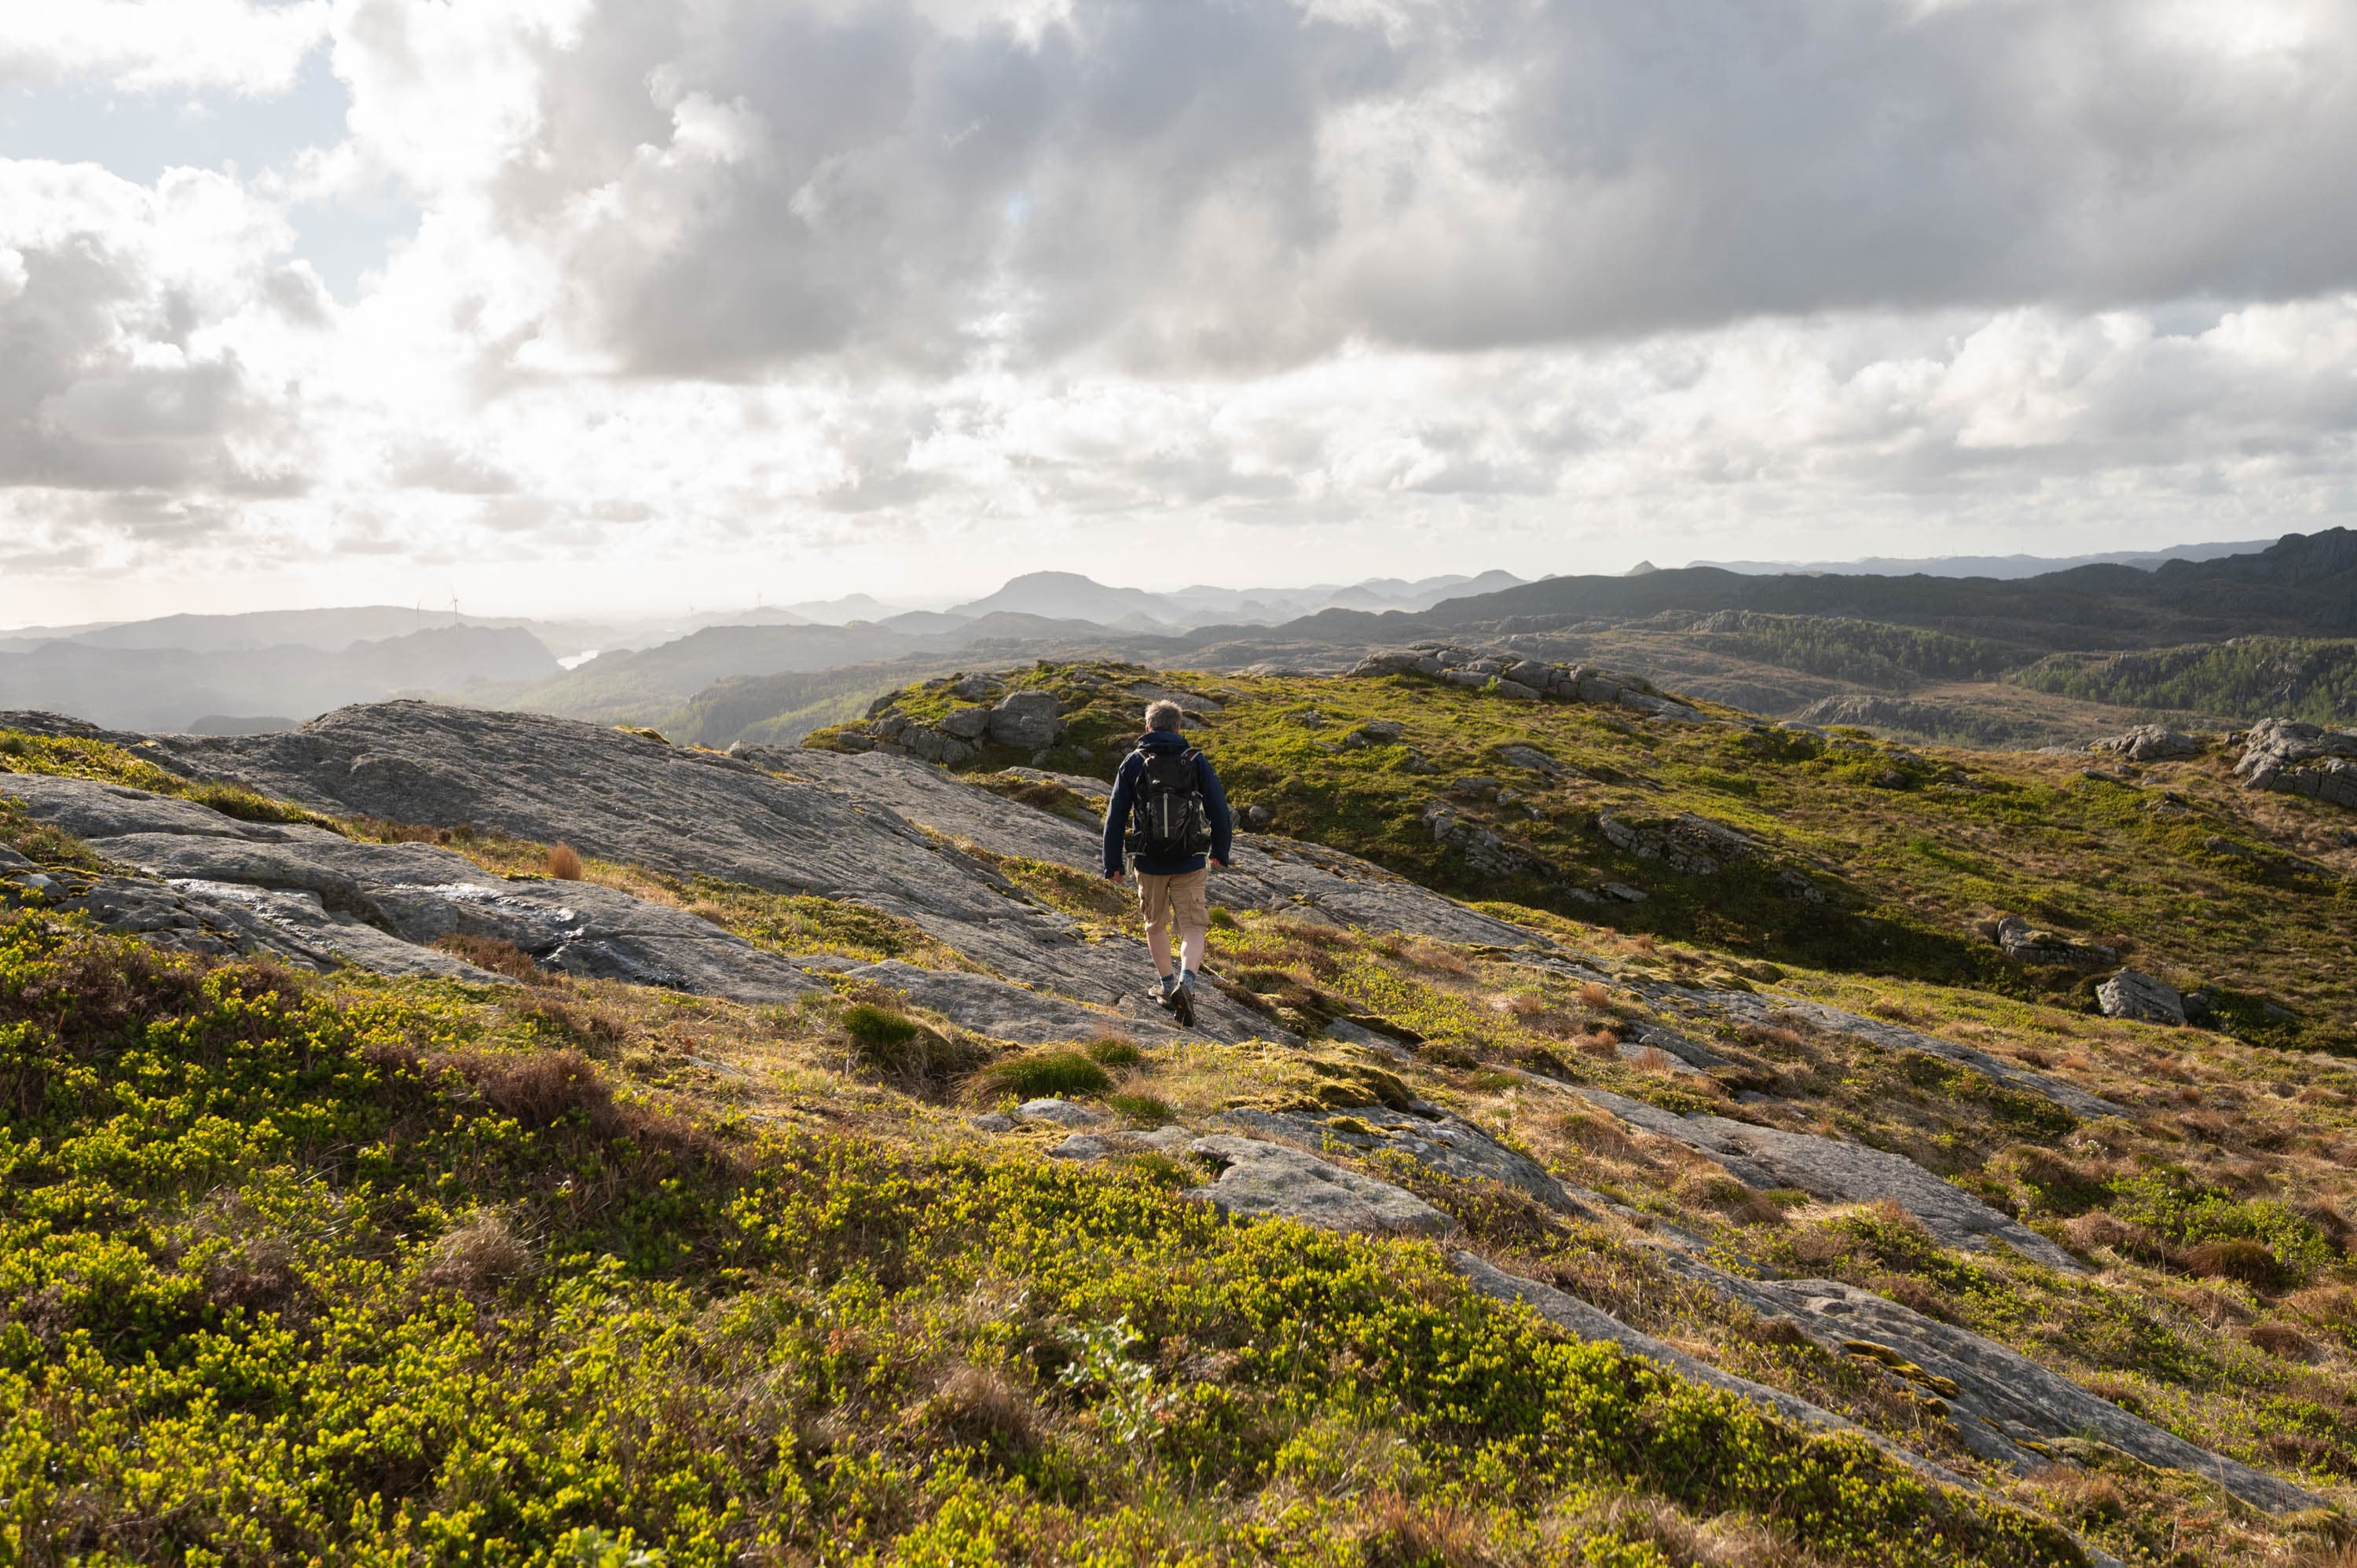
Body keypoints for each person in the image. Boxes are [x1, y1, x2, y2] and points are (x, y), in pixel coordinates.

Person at [1102, 698, 1232, 1026]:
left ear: (1147, 728)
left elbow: (1116, 816)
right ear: (1178, 728)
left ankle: (1166, 985)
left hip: (1149, 862)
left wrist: (1112, 863)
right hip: (1190, 861)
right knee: (1192, 926)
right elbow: (1219, 809)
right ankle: (1187, 984)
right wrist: (1220, 851)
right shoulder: (1195, 760)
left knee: (1155, 924)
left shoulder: (1134, 762)